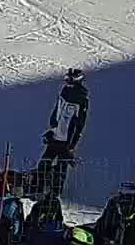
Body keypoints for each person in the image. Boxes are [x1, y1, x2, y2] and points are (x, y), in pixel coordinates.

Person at [31, 68, 89, 197]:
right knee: (44, 162)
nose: (67, 81)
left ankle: (55, 193)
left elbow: (79, 124)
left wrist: (72, 145)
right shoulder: (64, 92)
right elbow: (57, 112)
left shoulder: (81, 98)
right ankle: (38, 188)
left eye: (70, 79)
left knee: (60, 168)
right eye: (66, 79)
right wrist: (52, 129)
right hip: (55, 136)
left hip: (66, 141)